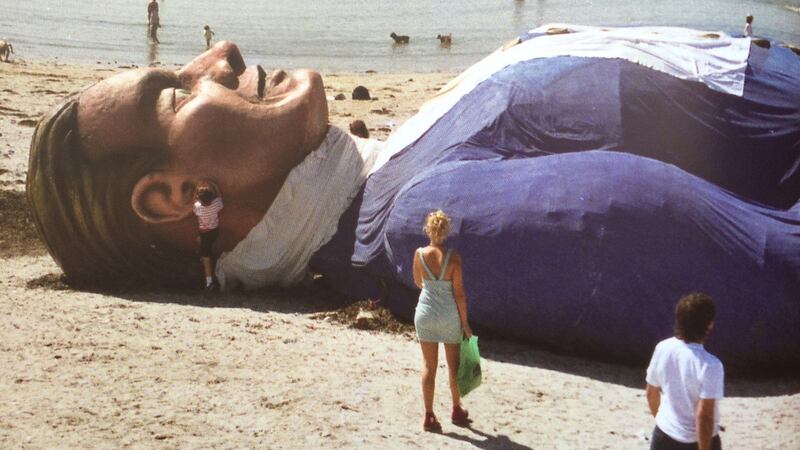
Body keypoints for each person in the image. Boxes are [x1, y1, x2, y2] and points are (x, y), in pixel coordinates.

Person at [26, 25, 800, 371]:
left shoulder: (381, 181)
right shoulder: (421, 226)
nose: (221, 55)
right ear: (176, 198)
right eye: (175, 90)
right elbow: (767, 268)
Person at [412, 210, 472, 432]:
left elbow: (418, 281)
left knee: (429, 366)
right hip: (448, 315)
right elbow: (459, 294)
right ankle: (456, 408)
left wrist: (432, 288)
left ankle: (428, 415)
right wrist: (465, 324)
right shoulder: (454, 257)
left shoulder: (419, 254)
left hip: (426, 313)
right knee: (453, 366)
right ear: (446, 232)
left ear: (428, 229)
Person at [646, 293, 723, 450]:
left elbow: (651, 393)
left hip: (664, 435)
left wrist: (665, 424)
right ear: (709, 325)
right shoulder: (711, 365)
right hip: (696, 442)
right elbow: (704, 416)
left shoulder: (663, 348)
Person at [192, 182, 223, 290]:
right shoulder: (216, 204)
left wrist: (196, 189)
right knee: (204, 245)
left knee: (206, 259)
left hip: (204, 234)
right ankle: (205, 253)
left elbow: (194, 202)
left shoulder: (198, 207)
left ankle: (209, 283)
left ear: (199, 199)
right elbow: (219, 196)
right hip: (214, 231)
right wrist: (214, 185)